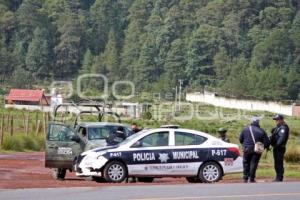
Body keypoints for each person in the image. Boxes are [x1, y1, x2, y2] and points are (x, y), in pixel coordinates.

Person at [239, 117, 270, 183]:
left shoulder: (245, 129)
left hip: (247, 148)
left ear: (252, 122)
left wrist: (245, 144)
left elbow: (240, 139)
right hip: (257, 149)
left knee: (246, 163)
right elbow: (267, 143)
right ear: (258, 122)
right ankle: (252, 178)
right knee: (254, 163)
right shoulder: (261, 131)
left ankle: (245, 178)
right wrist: (263, 147)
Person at [270, 114, 289, 182]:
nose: (276, 121)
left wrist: (276, 145)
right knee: (276, 162)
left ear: (281, 120)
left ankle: (279, 177)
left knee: (279, 163)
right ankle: (278, 176)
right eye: (276, 120)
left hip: (280, 148)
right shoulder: (278, 127)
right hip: (276, 147)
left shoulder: (284, 128)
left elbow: (282, 138)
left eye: (277, 120)